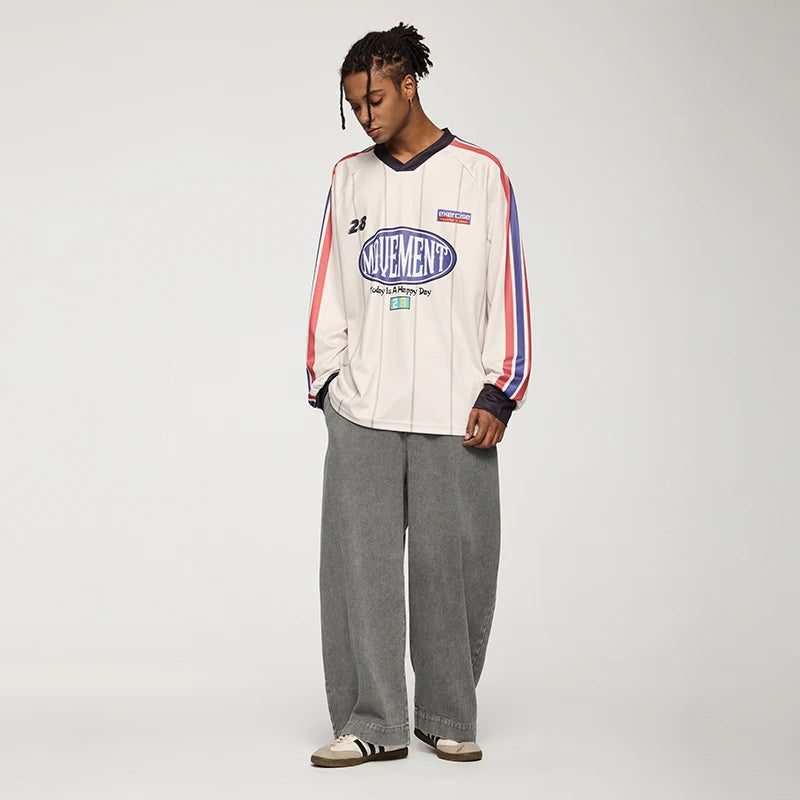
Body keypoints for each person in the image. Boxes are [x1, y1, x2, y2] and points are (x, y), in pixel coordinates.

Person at [305, 21, 531, 768]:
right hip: (363, 410)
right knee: (359, 575)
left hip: (455, 410)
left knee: (454, 570)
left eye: (374, 99)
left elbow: (508, 289)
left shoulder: (480, 174)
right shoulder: (348, 178)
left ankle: (445, 713)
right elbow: (329, 289)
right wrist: (329, 384)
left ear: (409, 84)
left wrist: (500, 390)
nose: (365, 116)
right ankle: (372, 720)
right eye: (353, 105)